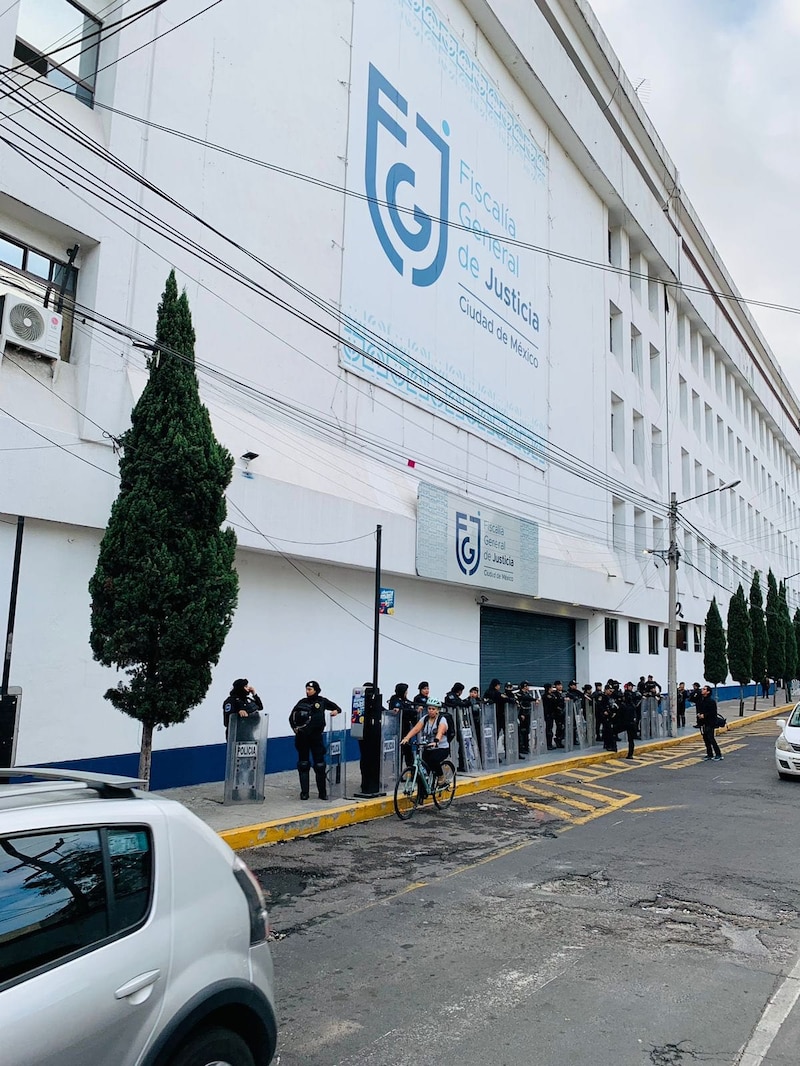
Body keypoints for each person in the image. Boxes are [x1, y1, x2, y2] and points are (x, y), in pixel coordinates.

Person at [289, 681, 342, 800]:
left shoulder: (322, 701)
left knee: (319, 765)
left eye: (310, 689)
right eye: (306, 689)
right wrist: (295, 729)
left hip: (316, 736)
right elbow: (291, 717)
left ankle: (322, 793)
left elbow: (337, 707)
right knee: (303, 764)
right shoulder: (302, 702)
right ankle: (304, 793)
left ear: (316, 690)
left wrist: (336, 711)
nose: (307, 691)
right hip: (302, 737)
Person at [400, 697, 451, 788]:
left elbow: (440, 731)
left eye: (433, 709)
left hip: (441, 747)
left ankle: (441, 777)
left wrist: (436, 741)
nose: (431, 711)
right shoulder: (425, 719)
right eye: (429, 708)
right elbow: (416, 729)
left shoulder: (441, 720)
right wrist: (406, 738)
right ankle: (424, 789)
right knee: (423, 767)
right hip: (428, 747)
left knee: (434, 760)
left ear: (437, 711)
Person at [389, 683, 416, 769]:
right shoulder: (394, 700)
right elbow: (401, 711)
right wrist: (410, 711)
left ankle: (411, 771)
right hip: (398, 729)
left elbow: (410, 709)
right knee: (399, 751)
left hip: (406, 728)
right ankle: (397, 772)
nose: (407, 693)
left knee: (408, 751)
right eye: (405, 691)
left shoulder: (406, 701)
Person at [695, 684, 723, 761]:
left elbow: (713, 712)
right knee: (706, 739)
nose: (702, 690)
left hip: (710, 723)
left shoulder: (711, 702)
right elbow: (699, 709)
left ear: (708, 692)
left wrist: (704, 715)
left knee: (711, 738)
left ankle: (718, 754)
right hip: (703, 723)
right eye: (702, 689)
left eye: (704, 689)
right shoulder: (701, 700)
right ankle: (709, 754)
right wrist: (699, 715)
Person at [445, 683, 468, 770]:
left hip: (457, 723)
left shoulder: (455, 696)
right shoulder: (451, 696)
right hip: (452, 724)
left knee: (462, 743)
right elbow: (456, 704)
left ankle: (461, 764)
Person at [517, 681, 535, 758]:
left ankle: (526, 746)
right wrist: (521, 714)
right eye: (527, 686)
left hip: (528, 714)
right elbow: (522, 702)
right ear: (524, 686)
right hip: (522, 714)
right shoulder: (519, 694)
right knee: (522, 731)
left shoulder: (528, 693)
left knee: (527, 731)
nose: (528, 688)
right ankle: (521, 747)